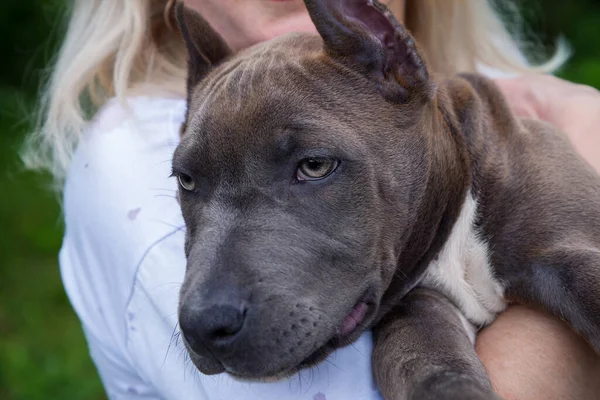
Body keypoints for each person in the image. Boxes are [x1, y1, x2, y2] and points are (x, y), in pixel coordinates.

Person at [24, 0, 600, 399]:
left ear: (388, 52)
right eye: (190, 184)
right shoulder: (133, 147)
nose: (200, 307)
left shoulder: (446, 101)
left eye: (314, 165)